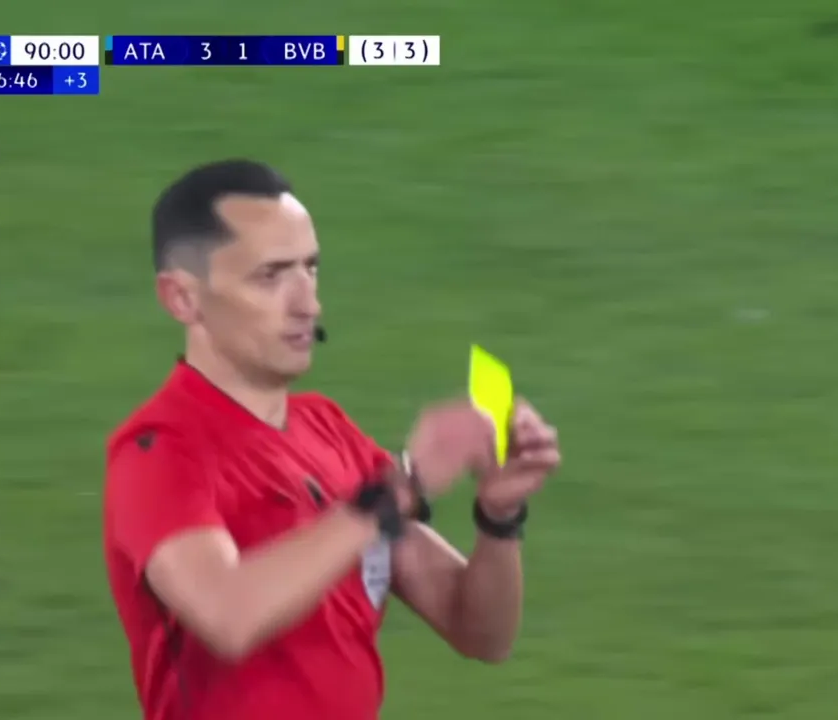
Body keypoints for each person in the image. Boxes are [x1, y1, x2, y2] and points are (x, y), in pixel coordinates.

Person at [102, 159, 561, 720]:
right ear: (182, 298)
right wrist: (398, 491)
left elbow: (481, 633)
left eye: (311, 268)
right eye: (270, 276)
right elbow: (228, 614)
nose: (309, 304)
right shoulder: (157, 452)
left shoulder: (330, 433)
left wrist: (499, 516)